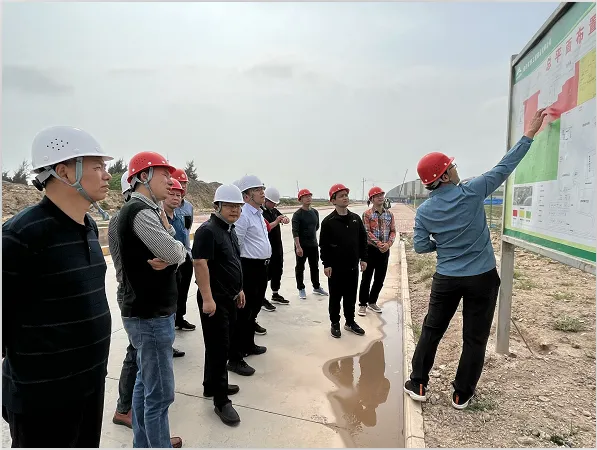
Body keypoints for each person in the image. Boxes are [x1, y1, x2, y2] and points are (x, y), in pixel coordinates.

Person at [403, 108, 548, 409]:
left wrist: (442, 245)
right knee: (474, 337)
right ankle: (461, 393)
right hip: (482, 278)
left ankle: (418, 383)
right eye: (451, 166)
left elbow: (420, 247)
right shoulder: (472, 191)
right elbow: (504, 167)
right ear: (444, 176)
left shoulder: (425, 212)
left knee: (432, 330)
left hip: (446, 279)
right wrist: (529, 134)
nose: (456, 169)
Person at [2, 126, 113, 447]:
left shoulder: (88, 225)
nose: (107, 175)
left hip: (90, 386)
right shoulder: (22, 235)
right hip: (43, 400)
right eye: (97, 167)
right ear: (64, 172)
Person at [118, 151, 187, 448]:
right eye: (164, 175)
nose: (171, 182)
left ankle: (143, 444)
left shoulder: (147, 210)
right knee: (159, 395)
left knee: (144, 384)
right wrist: (177, 253)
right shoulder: (141, 212)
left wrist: (171, 247)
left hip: (147, 313)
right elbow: (176, 251)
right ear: (143, 176)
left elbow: (170, 244)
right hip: (150, 316)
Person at [193, 184, 247, 426]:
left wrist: (239, 289)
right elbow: (200, 263)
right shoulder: (208, 231)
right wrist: (207, 298)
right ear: (217, 206)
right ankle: (221, 400)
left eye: (238, 206)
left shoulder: (229, 229)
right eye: (230, 206)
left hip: (229, 297)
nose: (235, 210)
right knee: (219, 348)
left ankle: (211, 385)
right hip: (214, 300)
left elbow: (232, 261)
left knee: (218, 346)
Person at [227, 175, 270, 376]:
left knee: (253, 310)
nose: (262, 192)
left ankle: (248, 344)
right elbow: (237, 245)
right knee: (242, 314)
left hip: (261, 268)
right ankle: (235, 358)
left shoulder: (258, 214)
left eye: (262, 188)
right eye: (257, 189)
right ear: (246, 195)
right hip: (248, 268)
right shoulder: (244, 215)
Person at [319, 183, 368, 339]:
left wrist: (364, 258)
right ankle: (335, 323)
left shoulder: (355, 219)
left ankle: (350, 322)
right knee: (335, 298)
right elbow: (324, 245)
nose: (345, 198)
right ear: (333, 201)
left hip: (352, 266)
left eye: (346, 195)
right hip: (335, 268)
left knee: (350, 297)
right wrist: (326, 264)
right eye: (341, 196)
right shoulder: (328, 222)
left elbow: (363, 240)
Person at [358, 187, 396, 316]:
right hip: (371, 250)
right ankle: (363, 304)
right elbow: (366, 232)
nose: (380, 197)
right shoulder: (367, 214)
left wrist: (388, 244)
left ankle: (372, 302)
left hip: (384, 251)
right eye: (377, 195)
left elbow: (393, 231)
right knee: (366, 278)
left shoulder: (389, 214)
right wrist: (379, 244)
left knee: (380, 279)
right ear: (371, 199)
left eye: (382, 195)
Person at [292, 188, 328, 299]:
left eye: (309, 196)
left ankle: (316, 287)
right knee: (300, 267)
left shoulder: (315, 212)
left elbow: (316, 227)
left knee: (314, 267)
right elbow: (295, 232)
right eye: (305, 197)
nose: (308, 198)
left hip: (313, 245)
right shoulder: (297, 214)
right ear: (300, 200)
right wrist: (298, 247)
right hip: (301, 246)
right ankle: (301, 288)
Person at [171, 168, 196, 332]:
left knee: (184, 289)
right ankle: (170, 319)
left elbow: (187, 230)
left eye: (185, 184)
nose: (183, 187)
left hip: (186, 255)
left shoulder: (189, 208)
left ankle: (179, 317)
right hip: (171, 256)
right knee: (172, 291)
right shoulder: (165, 206)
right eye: (180, 183)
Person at [262, 186, 290, 309]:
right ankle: (261, 298)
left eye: (275, 203)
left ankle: (275, 293)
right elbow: (266, 227)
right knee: (265, 274)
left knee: (278, 270)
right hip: (267, 248)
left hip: (277, 246)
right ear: (265, 200)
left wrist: (284, 218)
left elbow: (282, 216)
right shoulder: (261, 213)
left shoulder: (273, 210)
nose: (274, 205)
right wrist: (277, 221)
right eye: (272, 203)